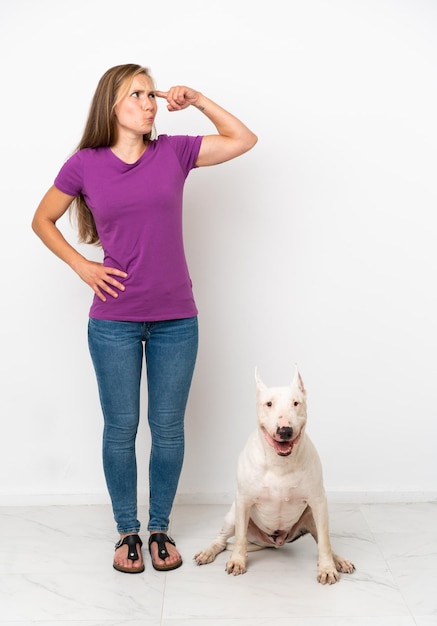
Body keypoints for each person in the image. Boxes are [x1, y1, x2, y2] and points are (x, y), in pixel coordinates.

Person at [31, 63, 257, 574]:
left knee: (168, 429)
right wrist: (83, 266)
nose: (150, 103)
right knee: (120, 428)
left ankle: (159, 529)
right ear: (111, 103)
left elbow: (244, 139)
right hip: (113, 321)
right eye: (137, 94)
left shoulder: (173, 152)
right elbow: (41, 219)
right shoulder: (84, 165)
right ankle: (126, 533)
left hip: (177, 318)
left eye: (152, 95)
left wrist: (197, 98)